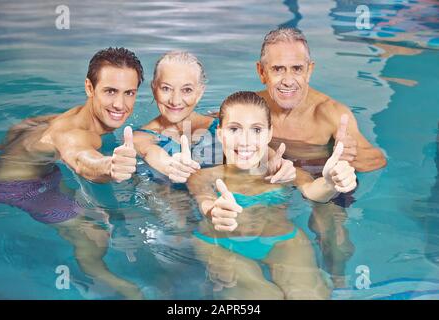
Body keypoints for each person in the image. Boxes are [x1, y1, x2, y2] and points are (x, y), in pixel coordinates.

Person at [0, 47, 145, 299]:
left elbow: (31, 125)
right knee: (95, 232)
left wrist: (7, 150)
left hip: (42, 175)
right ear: (89, 88)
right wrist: (109, 167)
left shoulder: (75, 116)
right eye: (110, 91)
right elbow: (81, 159)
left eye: (130, 93)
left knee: (99, 211)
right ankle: (113, 287)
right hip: (20, 190)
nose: (120, 104)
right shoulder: (76, 134)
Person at [187, 91, 357, 299]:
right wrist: (215, 211)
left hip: (282, 242)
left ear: (269, 134)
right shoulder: (202, 177)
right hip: (220, 245)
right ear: (221, 134)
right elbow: (205, 201)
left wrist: (332, 183)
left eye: (256, 130)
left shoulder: (285, 172)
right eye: (234, 129)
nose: (246, 141)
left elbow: (314, 192)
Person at [255, 28, 387, 287]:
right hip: (276, 174)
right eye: (278, 69)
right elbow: (218, 123)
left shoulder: (330, 113)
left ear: (310, 70)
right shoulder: (254, 107)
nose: (288, 80)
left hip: (323, 176)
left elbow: (377, 159)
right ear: (262, 72)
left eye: (297, 69)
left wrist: (351, 155)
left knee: (332, 234)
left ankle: (340, 282)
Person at [133, 51, 295, 185]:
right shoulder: (141, 137)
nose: (175, 100)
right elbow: (151, 153)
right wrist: (171, 167)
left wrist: (282, 166)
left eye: (187, 90)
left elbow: (260, 150)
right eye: (166, 88)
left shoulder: (221, 124)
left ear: (200, 92)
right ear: (154, 88)